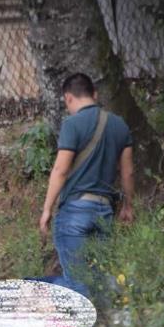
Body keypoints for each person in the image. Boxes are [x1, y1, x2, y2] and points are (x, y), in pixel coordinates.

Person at [38, 72, 134, 298]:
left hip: (75, 212)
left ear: (68, 98)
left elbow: (60, 170)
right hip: (104, 212)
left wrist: (46, 209)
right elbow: (128, 171)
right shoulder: (120, 125)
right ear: (95, 94)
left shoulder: (72, 124)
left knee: (78, 284)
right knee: (102, 277)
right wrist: (128, 206)